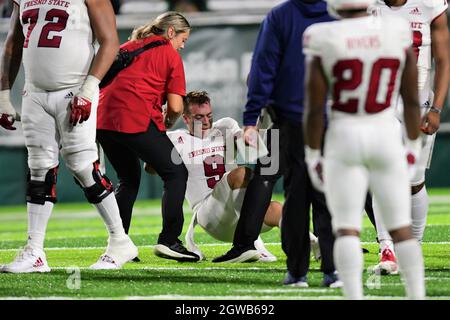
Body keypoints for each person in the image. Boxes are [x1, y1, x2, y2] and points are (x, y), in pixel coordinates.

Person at [0, 0, 137, 272]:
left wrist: (88, 89)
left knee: (84, 167)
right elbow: (13, 44)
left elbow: (110, 41)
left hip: (74, 89)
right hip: (34, 92)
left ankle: (120, 240)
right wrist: (4, 95)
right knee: (38, 168)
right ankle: (34, 252)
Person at [212, 0, 340, 288]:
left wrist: (250, 117)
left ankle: (297, 271)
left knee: (293, 194)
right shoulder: (340, 14)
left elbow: (262, 68)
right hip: (329, 120)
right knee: (326, 195)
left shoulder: (281, 16)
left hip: (290, 120)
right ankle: (332, 269)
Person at [303, 0, 425, 299]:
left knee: (346, 229)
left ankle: (355, 297)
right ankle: (417, 295)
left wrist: (312, 155)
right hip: (384, 131)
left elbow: (314, 108)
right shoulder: (396, 30)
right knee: (402, 229)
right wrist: (412, 145)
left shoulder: (321, 35)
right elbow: (411, 100)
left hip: (344, 135)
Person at [145, 90, 322, 262]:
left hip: (237, 212)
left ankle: (313, 245)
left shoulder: (225, 127)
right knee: (241, 173)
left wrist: (263, 119)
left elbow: (253, 149)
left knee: (276, 208)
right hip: (209, 214)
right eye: (199, 117)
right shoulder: (176, 138)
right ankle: (249, 243)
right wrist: (160, 130)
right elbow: (150, 168)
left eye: (209, 115)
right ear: (185, 118)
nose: (206, 121)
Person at [96, 12, 200, 262]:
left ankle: (120, 243)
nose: (183, 46)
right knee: (176, 172)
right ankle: (169, 241)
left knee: (128, 179)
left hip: (103, 120)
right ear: (171, 32)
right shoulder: (169, 54)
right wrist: (165, 124)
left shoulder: (128, 45)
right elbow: (176, 107)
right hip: (134, 118)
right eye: (183, 39)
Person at [368, 0, 450, 275]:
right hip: (380, 101)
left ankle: (412, 248)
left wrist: (437, 108)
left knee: (414, 182)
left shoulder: (429, 4)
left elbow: (443, 59)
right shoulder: (367, 5)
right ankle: (387, 247)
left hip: (418, 102)